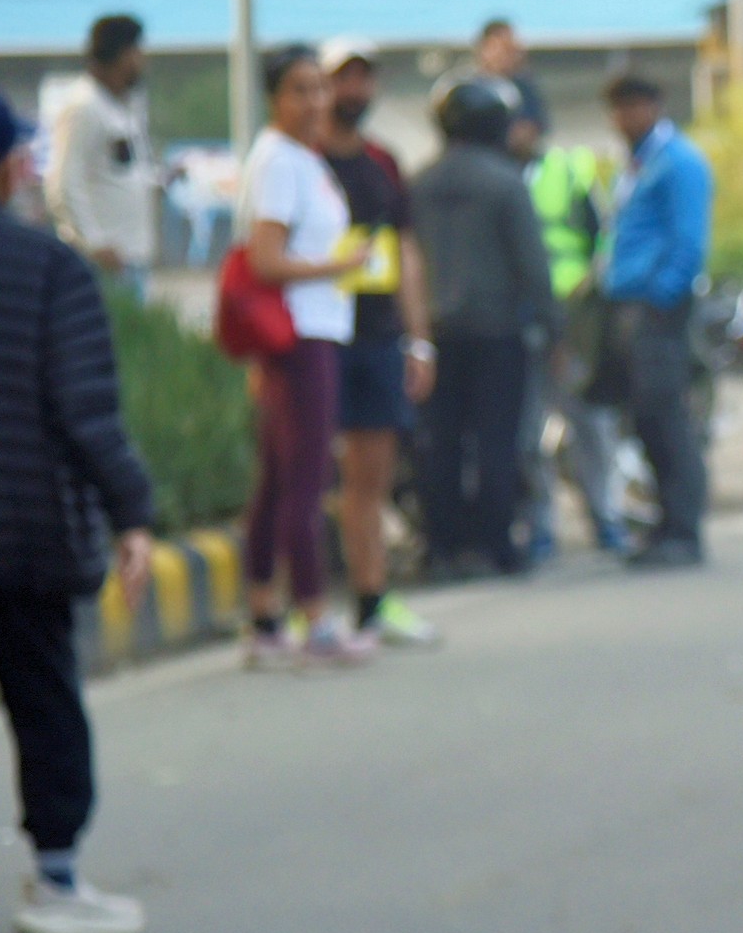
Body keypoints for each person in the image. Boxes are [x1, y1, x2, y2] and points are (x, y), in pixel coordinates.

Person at [0, 85, 157, 933]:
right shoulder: (49, 268)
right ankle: (57, 880)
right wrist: (131, 512)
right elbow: (86, 412)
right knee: (45, 706)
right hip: (25, 537)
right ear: (5, 169)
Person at [236, 47, 376, 669]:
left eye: (321, 88)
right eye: (300, 89)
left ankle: (264, 615)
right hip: (299, 333)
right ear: (274, 97)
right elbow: (265, 260)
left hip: (317, 328)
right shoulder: (277, 160)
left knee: (277, 478)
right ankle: (313, 617)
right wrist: (339, 265)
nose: (316, 101)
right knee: (305, 480)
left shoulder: (302, 157)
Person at [317, 40, 441, 645]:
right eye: (343, 79)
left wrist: (419, 340)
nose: (354, 92)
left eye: (364, 79)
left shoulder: (383, 163)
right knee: (305, 478)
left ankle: (372, 599)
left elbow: (406, 251)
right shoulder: (301, 162)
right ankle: (300, 608)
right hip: (315, 337)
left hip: (376, 338)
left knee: (371, 479)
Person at [411, 74, 555, 579]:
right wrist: (554, 326)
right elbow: (533, 264)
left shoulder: (420, 182)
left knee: (440, 444)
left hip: (433, 335)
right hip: (497, 332)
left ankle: (442, 548)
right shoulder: (505, 182)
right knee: (498, 441)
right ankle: (496, 544)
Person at [600, 74, 713, 568]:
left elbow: (689, 241)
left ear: (655, 106)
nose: (624, 117)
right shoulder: (639, 162)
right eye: (618, 108)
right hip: (630, 305)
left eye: (633, 106)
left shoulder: (679, 161)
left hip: (658, 308)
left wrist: (661, 297)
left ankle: (684, 530)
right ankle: (665, 524)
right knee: (645, 419)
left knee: (666, 417)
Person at [510, 107, 626, 559]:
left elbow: (603, 235)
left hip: (574, 315)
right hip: (522, 320)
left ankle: (606, 517)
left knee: (588, 422)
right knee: (527, 431)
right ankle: (540, 526)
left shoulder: (567, 170)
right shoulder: (500, 175)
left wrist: (592, 287)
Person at [41, 14, 156, 297]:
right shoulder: (84, 106)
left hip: (131, 257)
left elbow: (122, 171)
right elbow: (63, 184)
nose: (140, 61)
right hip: (102, 262)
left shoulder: (123, 104)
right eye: (136, 52)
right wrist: (94, 244)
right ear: (121, 55)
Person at [473, 17, 551, 136]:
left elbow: (535, 124)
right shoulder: (469, 88)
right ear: (484, 49)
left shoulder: (524, 88)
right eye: (501, 49)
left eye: (510, 50)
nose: (505, 56)